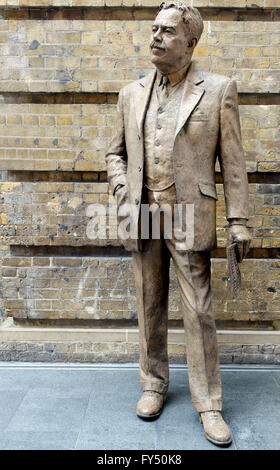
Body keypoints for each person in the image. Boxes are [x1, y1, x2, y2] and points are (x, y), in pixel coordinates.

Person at [105, 1, 251, 447]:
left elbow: (235, 163)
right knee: (149, 301)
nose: (155, 37)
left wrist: (239, 220)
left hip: (190, 213)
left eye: (167, 31)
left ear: (190, 41)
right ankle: (153, 384)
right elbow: (114, 154)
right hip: (144, 212)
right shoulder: (131, 94)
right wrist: (121, 191)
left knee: (198, 309)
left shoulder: (219, 89)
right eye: (154, 29)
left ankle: (209, 404)